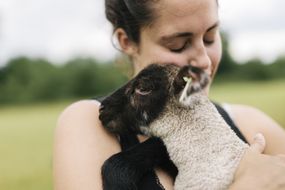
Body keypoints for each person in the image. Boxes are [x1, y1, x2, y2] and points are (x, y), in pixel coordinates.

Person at [53, 0, 285, 189]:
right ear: (127, 42)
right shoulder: (87, 124)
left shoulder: (250, 124)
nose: (203, 60)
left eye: (210, 37)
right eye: (178, 45)